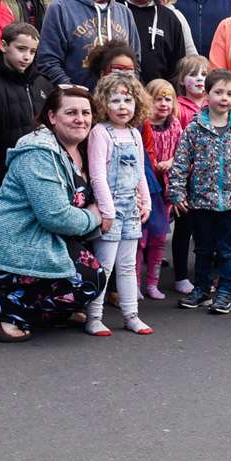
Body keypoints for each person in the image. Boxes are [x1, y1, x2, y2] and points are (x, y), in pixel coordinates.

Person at [0, 86, 105, 342]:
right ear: (52, 117)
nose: (81, 119)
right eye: (71, 112)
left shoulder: (84, 148)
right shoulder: (39, 153)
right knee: (90, 280)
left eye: (86, 113)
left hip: (47, 239)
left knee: (91, 278)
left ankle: (52, 309)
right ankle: (4, 311)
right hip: (14, 244)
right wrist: (96, 217)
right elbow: (55, 216)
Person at [0, 21, 51, 292]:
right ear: (4, 46)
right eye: (21, 49)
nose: (26, 56)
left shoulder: (41, 83)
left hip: (34, 172)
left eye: (32, 51)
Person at [171, 68, 231, 314]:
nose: (224, 97)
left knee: (229, 251)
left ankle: (225, 292)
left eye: (230, 93)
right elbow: (180, 162)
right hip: (202, 201)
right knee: (202, 248)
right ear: (207, 94)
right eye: (219, 92)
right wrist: (177, 192)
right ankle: (201, 289)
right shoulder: (194, 128)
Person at [85, 72, 154, 336]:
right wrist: (107, 210)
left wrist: (145, 202)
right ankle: (94, 317)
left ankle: (131, 315)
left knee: (127, 265)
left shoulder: (135, 134)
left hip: (131, 209)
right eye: (115, 101)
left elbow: (140, 172)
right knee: (104, 265)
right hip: (109, 210)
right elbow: (97, 175)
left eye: (127, 100)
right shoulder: (100, 133)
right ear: (104, 104)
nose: (122, 107)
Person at [38, 0, 140, 88]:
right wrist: (75, 94)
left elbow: (135, 63)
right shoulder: (60, 9)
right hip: (76, 105)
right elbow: (48, 62)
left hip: (116, 105)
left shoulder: (125, 13)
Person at [168, 54, 212, 295]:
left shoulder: (214, 104)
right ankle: (181, 275)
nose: (199, 79)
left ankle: (205, 273)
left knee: (207, 229)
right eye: (193, 75)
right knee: (184, 228)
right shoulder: (177, 107)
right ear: (182, 80)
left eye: (204, 75)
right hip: (186, 178)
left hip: (209, 178)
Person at [139, 78, 182, 300]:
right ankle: (134, 284)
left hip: (165, 189)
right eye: (158, 99)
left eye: (168, 99)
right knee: (140, 239)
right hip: (145, 188)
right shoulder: (142, 123)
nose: (163, 103)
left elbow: (182, 151)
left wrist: (172, 160)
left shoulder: (174, 124)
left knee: (158, 238)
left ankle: (153, 283)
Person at [121, 0, 188, 84]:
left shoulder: (170, 20)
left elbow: (176, 73)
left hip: (156, 103)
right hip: (113, 101)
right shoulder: (110, 9)